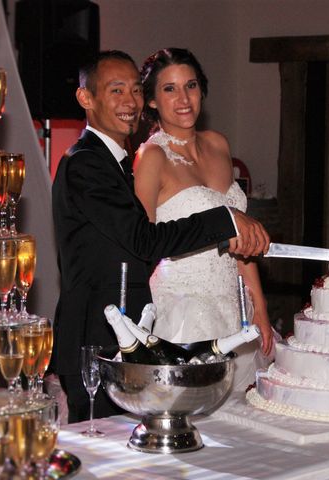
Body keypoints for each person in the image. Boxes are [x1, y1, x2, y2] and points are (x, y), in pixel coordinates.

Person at [51, 50, 270, 422]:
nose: (129, 101)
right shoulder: (86, 162)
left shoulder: (116, 161)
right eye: (116, 90)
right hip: (101, 338)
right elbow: (145, 241)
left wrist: (258, 304)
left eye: (134, 90)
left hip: (135, 332)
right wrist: (224, 219)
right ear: (86, 98)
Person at [134, 48, 274, 391]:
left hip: (233, 305)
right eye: (169, 89)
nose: (183, 98)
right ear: (152, 100)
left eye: (191, 85)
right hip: (184, 310)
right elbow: (141, 243)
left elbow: (243, 240)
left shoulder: (219, 145)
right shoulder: (152, 156)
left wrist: (260, 305)